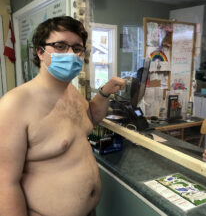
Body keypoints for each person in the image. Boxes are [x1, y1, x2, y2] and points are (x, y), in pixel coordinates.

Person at [0, 16, 125, 216]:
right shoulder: (14, 104)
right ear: (40, 51)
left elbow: (89, 118)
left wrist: (104, 92)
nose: (71, 54)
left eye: (77, 48)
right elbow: (5, 184)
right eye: (60, 46)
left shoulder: (71, 91)